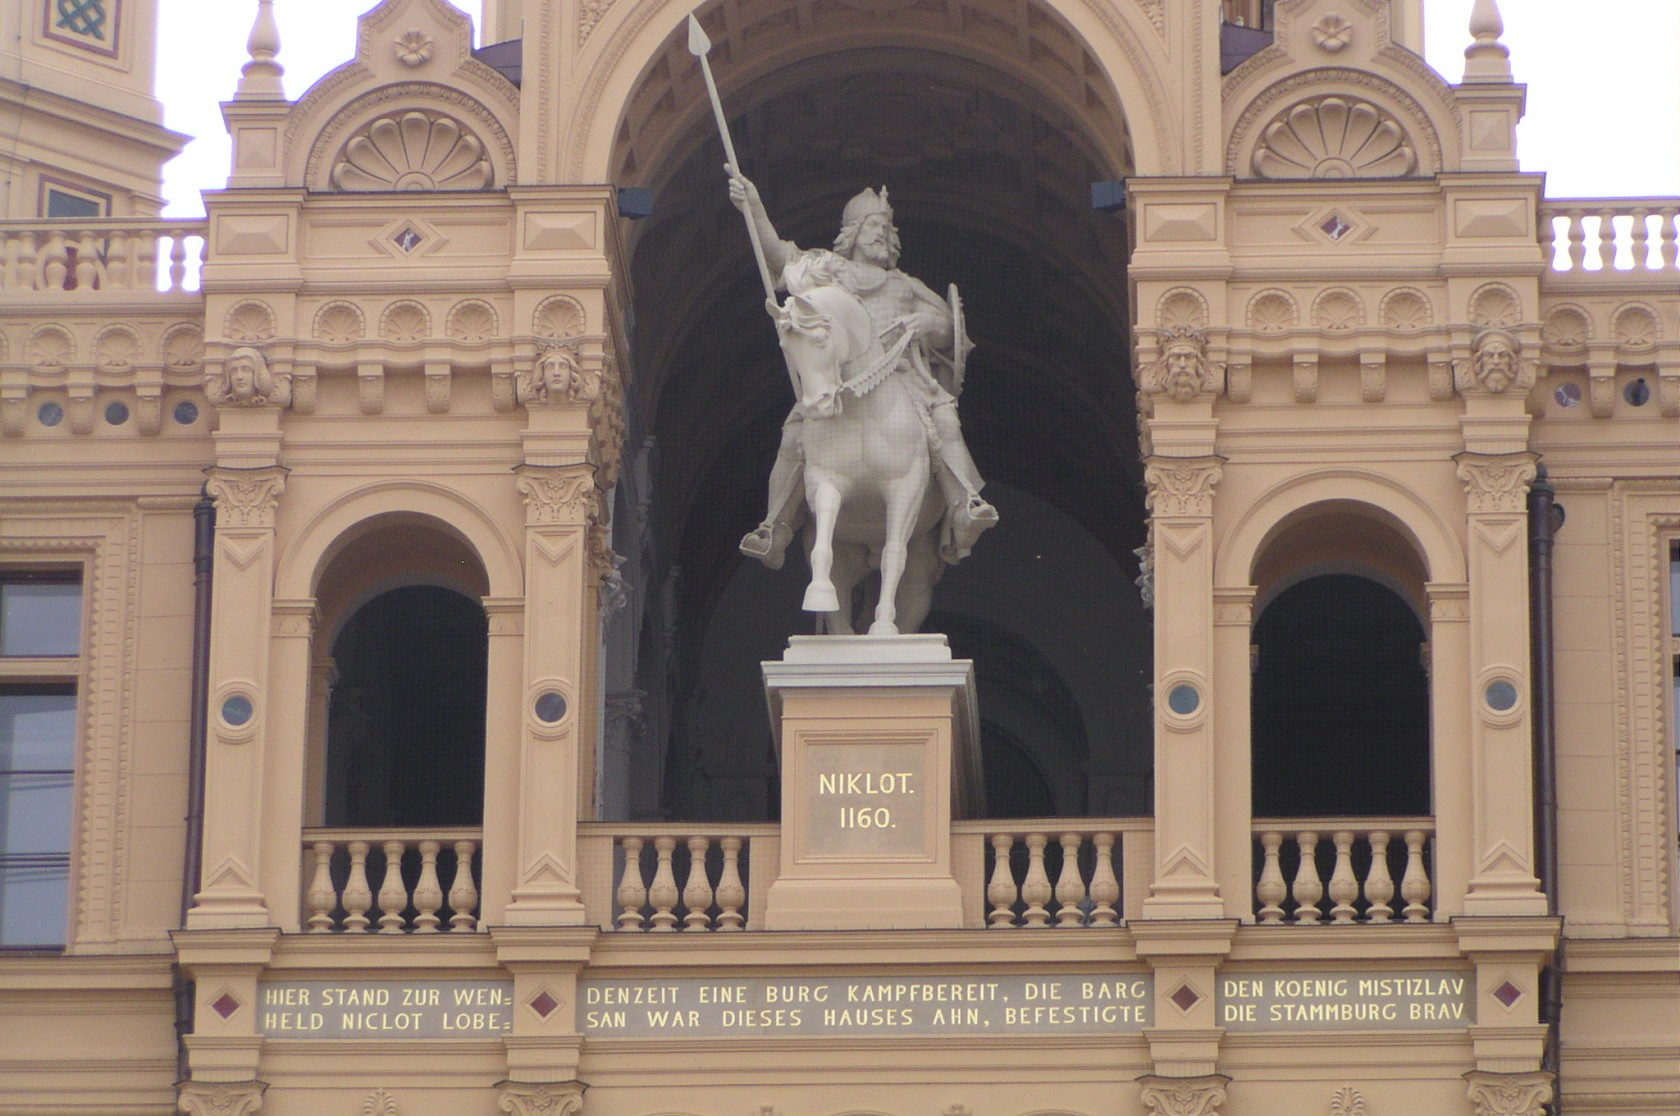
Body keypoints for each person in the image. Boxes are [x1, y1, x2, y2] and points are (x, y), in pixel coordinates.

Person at [728, 167, 996, 567]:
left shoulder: (905, 285)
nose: (881, 234)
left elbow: (948, 330)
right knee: (793, 435)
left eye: (886, 228)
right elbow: (780, 255)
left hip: (902, 378)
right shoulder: (826, 270)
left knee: (945, 422)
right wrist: (754, 207)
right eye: (873, 226)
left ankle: (963, 505)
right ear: (852, 232)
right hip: (838, 380)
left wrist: (926, 322)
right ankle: (776, 525)